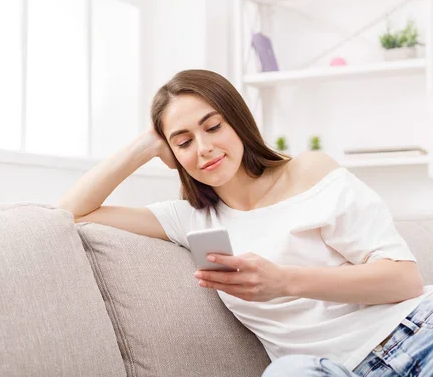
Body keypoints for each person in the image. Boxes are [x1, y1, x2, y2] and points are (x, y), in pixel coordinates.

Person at [57, 69, 433, 376]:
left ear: (237, 121)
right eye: (183, 141)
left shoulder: (308, 170)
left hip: (415, 332)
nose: (203, 148)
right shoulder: (189, 219)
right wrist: (145, 146)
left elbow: (404, 279)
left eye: (213, 126)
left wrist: (282, 281)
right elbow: (69, 212)